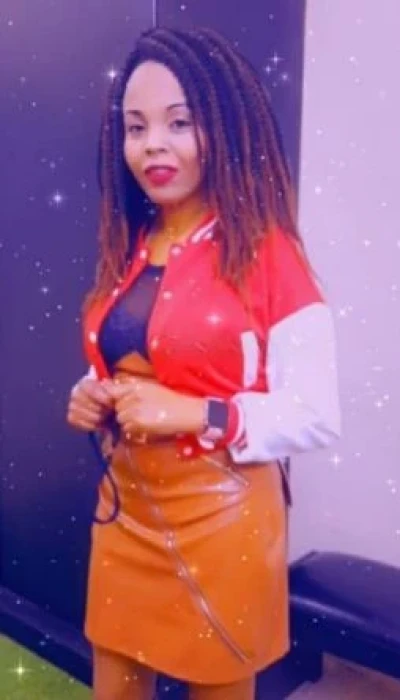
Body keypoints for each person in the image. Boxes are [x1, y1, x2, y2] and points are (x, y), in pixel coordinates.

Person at [66, 26, 340, 700]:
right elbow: (136, 354)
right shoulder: (130, 244)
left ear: (225, 126)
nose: (152, 144)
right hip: (124, 514)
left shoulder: (269, 253)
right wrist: (92, 391)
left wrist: (198, 413)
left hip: (223, 524)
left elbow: (315, 413)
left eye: (179, 122)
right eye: (136, 127)